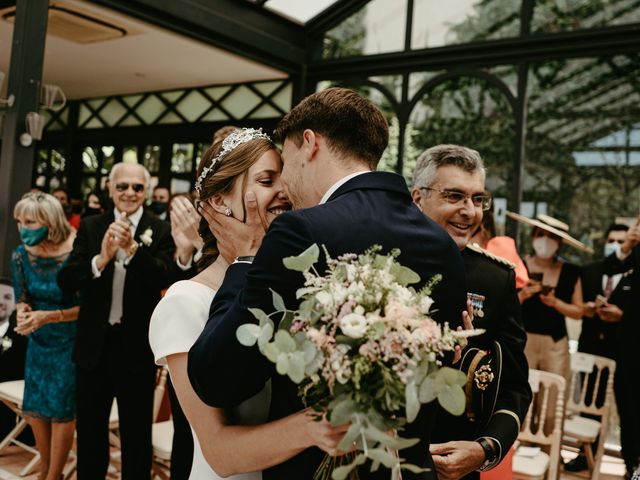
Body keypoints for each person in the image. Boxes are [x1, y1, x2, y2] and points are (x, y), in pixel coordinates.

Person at [188, 87, 468, 480]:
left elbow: (217, 380)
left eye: (284, 162)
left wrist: (246, 257)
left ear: (309, 143)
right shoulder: (442, 246)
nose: (284, 184)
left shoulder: (300, 231)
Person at [150, 127, 352, 479]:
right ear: (218, 202)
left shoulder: (300, 284)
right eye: (266, 180)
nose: (283, 191)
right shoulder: (184, 303)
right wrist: (315, 424)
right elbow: (220, 453)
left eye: (283, 178)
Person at [411, 145, 531, 480]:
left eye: (477, 199)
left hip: (454, 468)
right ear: (418, 198)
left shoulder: (495, 278)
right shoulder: (379, 262)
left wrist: (484, 449)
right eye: (455, 196)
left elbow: (515, 388)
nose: (469, 211)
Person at [57, 163, 176, 480]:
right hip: (94, 347)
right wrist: (102, 258)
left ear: (146, 192)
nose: (129, 193)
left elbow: (166, 277)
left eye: (137, 187)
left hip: (136, 349)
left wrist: (133, 250)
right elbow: (67, 279)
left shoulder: (159, 229)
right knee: (91, 434)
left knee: (136, 437)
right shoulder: (91, 225)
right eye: (122, 186)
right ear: (110, 189)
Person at [10, 192, 80, 480]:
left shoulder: (76, 249)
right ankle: (44, 470)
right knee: (37, 407)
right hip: (38, 342)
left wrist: (49, 317)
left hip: (70, 339)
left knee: (63, 409)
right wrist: (23, 314)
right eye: (19, 221)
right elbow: (22, 297)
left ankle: (54, 474)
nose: (23, 227)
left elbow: (89, 306)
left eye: (30, 221)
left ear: (49, 222)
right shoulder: (20, 255)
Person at [564, 223, 630, 473]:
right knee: (590, 403)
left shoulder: (634, 274)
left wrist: (622, 316)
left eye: (622, 240)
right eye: (612, 239)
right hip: (591, 347)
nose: (616, 244)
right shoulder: (589, 271)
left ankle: (630, 460)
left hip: (622, 350)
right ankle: (585, 454)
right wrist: (588, 310)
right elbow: (579, 306)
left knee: (627, 408)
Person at [508, 212, 585, 387]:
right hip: (523, 341)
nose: (544, 240)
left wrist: (555, 303)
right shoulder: (518, 267)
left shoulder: (571, 272)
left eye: (551, 237)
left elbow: (578, 312)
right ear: (533, 236)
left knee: (552, 399)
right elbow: (505, 307)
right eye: (540, 234)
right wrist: (523, 295)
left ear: (559, 242)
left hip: (555, 345)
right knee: (520, 394)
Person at [603, 219, 640, 478]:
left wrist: (624, 317)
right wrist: (628, 243)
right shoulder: (636, 252)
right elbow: (612, 266)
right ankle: (631, 466)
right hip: (629, 350)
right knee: (628, 412)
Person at [0, 277, 30, 442]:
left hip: (7, 402)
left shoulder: (21, 338)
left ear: (14, 305)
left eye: (7, 297)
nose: (1, 302)